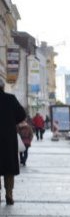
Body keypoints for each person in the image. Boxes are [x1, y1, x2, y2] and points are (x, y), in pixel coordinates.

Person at [0, 77, 27, 205]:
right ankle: (9, 193)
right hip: (8, 138)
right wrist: (11, 122)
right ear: (3, 87)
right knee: (8, 169)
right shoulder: (10, 99)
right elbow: (22, 114)